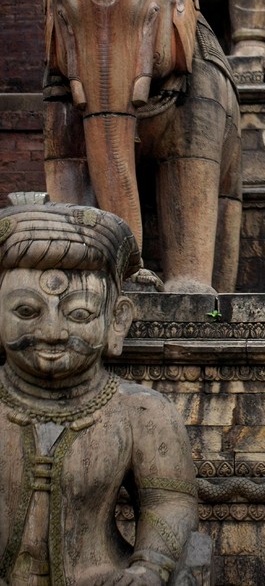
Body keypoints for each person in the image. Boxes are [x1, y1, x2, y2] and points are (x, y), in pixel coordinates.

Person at [0, 203, 198, 586]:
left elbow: (168, 501)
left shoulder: (141, 411)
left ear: (117, 320)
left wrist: (150, 566)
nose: (53, 333)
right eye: (26, 311)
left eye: (79, 314)